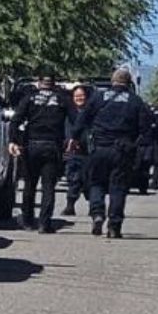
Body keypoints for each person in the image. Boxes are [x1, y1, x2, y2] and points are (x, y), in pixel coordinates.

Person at [72, 68, 150, 238]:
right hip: (122, 150)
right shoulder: (135, 101)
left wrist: (74, 137)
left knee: (96, 183)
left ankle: (97, 214)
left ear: (112, 81)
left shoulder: (98, 97)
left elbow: (82, 119)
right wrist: (137, 146)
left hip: (99, 148)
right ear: (129, 83)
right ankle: (114, 226)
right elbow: (146, 129)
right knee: (118, 187)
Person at [8, 74, 68, 233]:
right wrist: (72, 139)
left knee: (30, 185)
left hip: (32, 145)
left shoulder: (30, 98)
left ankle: (28, 221)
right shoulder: (62, 99)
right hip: (52, 146)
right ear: (54, 84)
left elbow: (16, 120)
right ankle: (44, 223)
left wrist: (13, 141)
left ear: (39, 83)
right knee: (48, 186)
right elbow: (75, 119)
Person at [63, 84, 90, 216]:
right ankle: (70, 205)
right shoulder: (68, 113)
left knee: (89, 180)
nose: (79, 98)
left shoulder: (92, 113)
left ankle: (94, 207)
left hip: (89, 152)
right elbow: (66, 131)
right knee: (73, 178)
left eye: (82, 95)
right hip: (73, 151)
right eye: (76, 96)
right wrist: (70, 142)